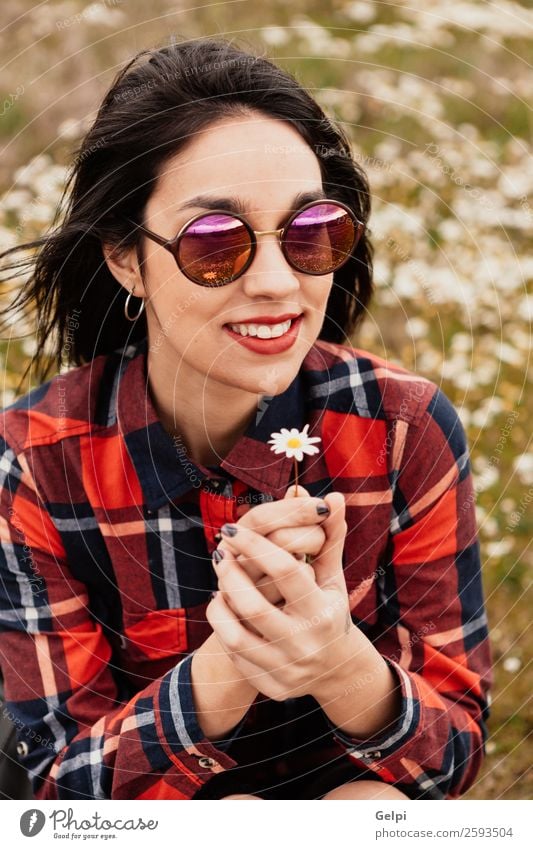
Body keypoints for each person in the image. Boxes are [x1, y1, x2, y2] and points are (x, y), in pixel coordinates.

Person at [0, 36, 492, 801]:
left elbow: (450, 755)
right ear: (126, 257)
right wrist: (230, 662)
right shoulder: (32, 460)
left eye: (309, 233)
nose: (276, 283)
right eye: (213, 242)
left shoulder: (404, 427)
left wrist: (336, 659)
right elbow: (59, 795)